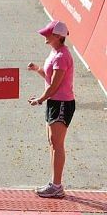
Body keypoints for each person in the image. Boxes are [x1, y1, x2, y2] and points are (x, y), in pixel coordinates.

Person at [27, 20, 75, 198]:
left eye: (47, 34)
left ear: (57, 36)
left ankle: (56, 185)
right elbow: (49, 77)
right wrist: (37, 69)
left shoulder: (62, 56)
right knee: (53, 143)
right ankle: (54, 183)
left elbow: (54, 86)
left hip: (61, 103)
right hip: (54, 102)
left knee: (57, 144)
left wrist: (39, 100)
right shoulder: (55, 52)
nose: (44, 36)